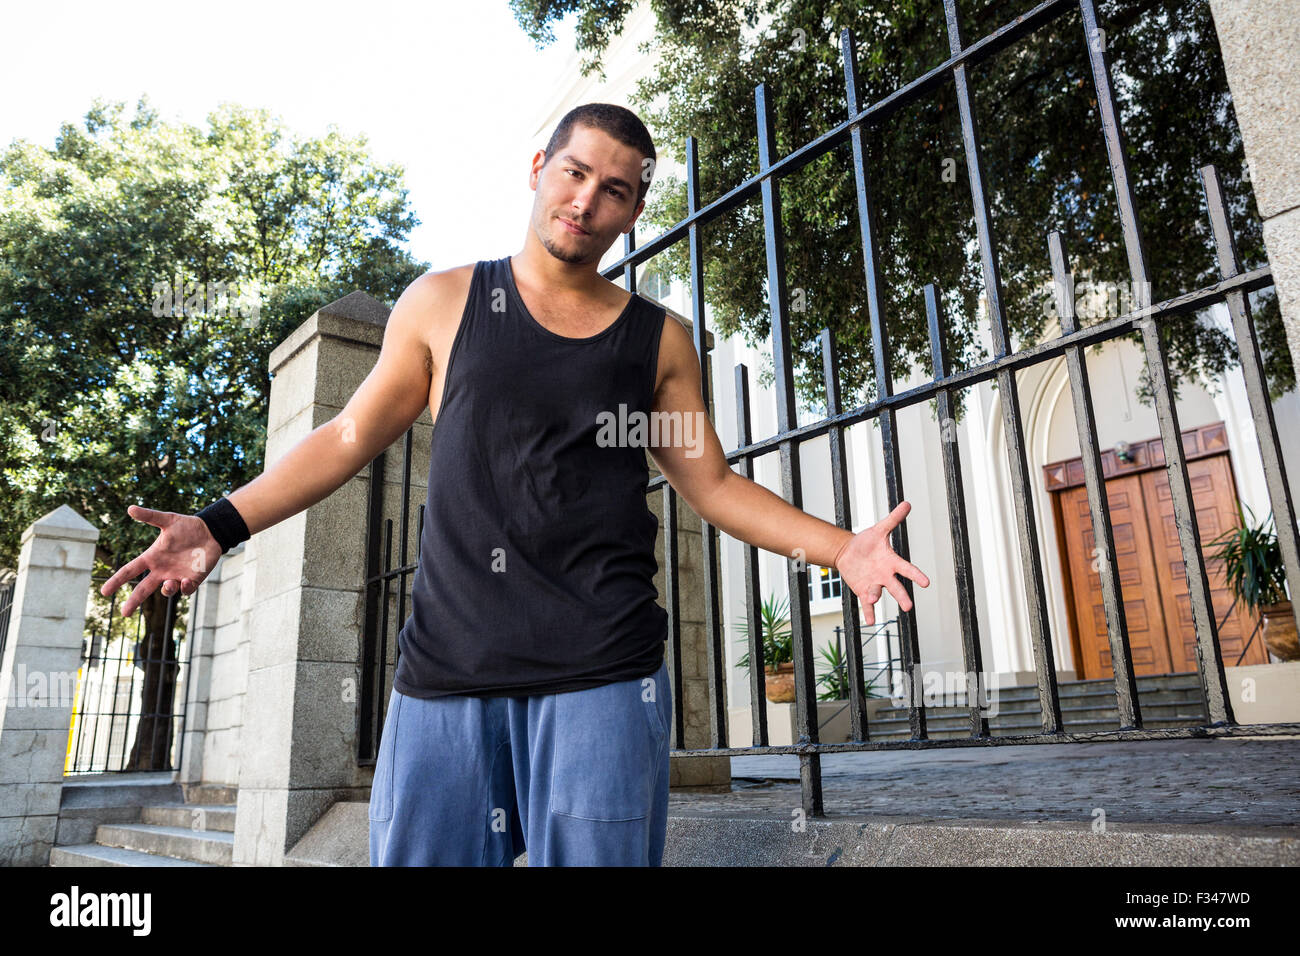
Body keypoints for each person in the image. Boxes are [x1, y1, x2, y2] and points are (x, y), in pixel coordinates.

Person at [98, 102, 930, 866]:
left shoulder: (658, 340)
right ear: (540, 167)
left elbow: (710, 484)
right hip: (447, 674)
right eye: (574, 172)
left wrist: (841, 547)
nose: (585, 200)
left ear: (635, 210)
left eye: (614, 189)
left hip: (603, 674)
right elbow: (346, 437)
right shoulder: (442, 302)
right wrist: (218, 525)